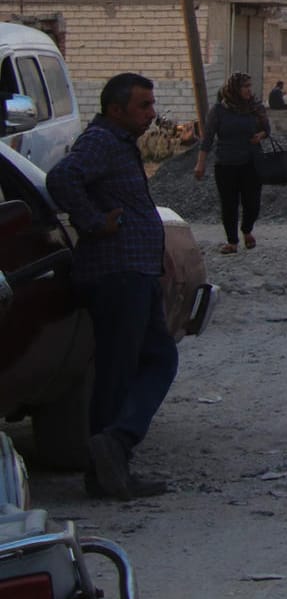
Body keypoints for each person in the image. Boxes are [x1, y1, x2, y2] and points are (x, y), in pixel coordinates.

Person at [45, 72, 175, 501]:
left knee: (138, 364)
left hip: (132, 271)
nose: (151, 114)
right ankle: (115, 444)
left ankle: (106, 468)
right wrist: (94, 222)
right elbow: (62, 179)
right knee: (138, 366)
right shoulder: (100, 142)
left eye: (151, 105)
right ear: (116, 109)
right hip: (117, 273)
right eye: (143, 106)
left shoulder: (118, 144)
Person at [192, 71, 271, 254]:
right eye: (245, 86)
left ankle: (247, 229)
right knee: (229, 204)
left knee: (252, 203)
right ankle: (232, 241)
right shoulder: (219, 110)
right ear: (234, 89)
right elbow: (208, 138)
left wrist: (261, 135)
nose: (248, 90)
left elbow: (266, 129)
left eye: (250, 86)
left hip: (251, 161)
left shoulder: (255, 107)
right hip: (226, 163)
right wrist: (200, 163)